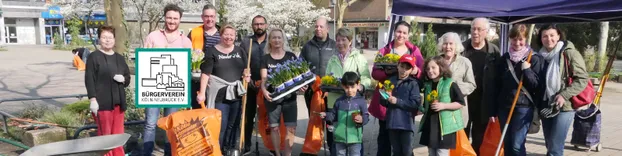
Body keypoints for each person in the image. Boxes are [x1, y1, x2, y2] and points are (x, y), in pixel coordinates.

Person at [142, 4, 192, 156]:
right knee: (150, 124)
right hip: (154, 88)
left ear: (180, 20)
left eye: (175, 18)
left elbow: (189, 66)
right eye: (169, 17)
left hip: (174, 89)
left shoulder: (186, 42)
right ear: (164, 18)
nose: (172, 21)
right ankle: (147, 153)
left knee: (171, 124)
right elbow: (144, 60)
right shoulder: (153, 36)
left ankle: (169, 154)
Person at [369, 20, 424, 156]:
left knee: (404, 142)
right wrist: (387, 72)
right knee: (384, 137)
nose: (401, 35)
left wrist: (416, 71)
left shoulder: (414, 51)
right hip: (387, 100)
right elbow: (375, 73)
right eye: (399, 31)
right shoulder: (384, 50)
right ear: (394, 32)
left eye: (404, 33)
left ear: (408, 35)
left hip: (405, 101)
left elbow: (423, 74)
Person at [197, 25, 251, 153]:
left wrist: (247, 76)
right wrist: (202, 93)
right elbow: (205, 74)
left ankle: (230, 149)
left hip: (236, 95)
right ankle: (217, 150)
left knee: (233, 125)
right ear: (221, 35)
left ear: (235, 36)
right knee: (221, 125)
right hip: (219, 96)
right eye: (226, 34)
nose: (229, 37)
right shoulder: (212, 51)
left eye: (232, 35)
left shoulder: (240, 51)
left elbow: (246, 69)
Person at [492, 24, 544, 156]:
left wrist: (527, 70)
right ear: (510, 39)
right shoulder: (505, 58)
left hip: (523, 107)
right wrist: (493, 109)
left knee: (517, 145)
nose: (517, 43)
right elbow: (497, 84)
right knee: (508, 143)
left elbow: (536, 85)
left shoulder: (534, 58)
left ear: (526, 39)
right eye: (514, 39)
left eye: (520, 39)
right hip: (505, 106)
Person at [536, 24, 588, 156]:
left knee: (555, 147)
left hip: (564, 106)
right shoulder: (539, 56)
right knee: (550, 144)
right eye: (545, 36)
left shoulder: (569, 53)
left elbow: (582, 79)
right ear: (541, 39)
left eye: (552, 35)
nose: (549, 39)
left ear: (558, 36)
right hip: (546, 105)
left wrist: (563, 95)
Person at [324, 27, 371, 155]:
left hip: (353, 103)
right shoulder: (333, 59)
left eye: (343, 40)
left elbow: (366, 77)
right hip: (335, 103)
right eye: (338, 40)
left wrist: (361, 87)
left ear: (350, 41)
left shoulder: (358, 58)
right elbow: (327, 78)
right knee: (334, 138)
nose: (340, 43)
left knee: (354, 138)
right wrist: (328, 85)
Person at [85, 25, 131, 156]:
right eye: (104, 37)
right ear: (99, 39)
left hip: (118, 103)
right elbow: (89, 79)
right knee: (105, 136)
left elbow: (127, 78)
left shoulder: (119, 58)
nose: (107, 40)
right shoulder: (94, 57)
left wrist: (123, 79)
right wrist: (93, 99)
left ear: (114, 40)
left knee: (117, 136)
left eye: (110, 37)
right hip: (103, 102)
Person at [259, 28, 304, 156]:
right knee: (274, 127)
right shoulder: (265, 58)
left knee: (291, 128)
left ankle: (287, 154)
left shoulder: (291, 56)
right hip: (272, 98)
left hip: (289, 99)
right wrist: (264, 90)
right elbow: (264, 79)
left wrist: (302, 87)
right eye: (274, 37)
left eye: (279, 37)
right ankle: (277, 153)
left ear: (283, 40)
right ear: (270, 41)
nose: (277, 40)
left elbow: (299, 76)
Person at [461, 17, 501, 154]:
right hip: (463, 101)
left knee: (479, 138)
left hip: (483, 103)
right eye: (473, 29)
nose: (475, 32)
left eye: (479, 29)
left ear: (486, 32)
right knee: (462, 137)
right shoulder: (461, 48)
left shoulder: (493, 51)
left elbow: (498, 79)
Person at [299, 16, 338, 153]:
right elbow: (300, 67)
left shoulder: (334, 46)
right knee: (315, 121)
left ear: (327, 28)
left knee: (331, 122)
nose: (318, 29)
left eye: (321, 26)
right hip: (312, 91)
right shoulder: (307, 47)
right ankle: (313, 149)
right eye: (316, 26)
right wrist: (302, 84)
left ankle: (333, 150)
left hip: (331, 92)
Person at [419, 56, 465, 156]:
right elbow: (425, 106)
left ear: (441, 67)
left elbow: (460, 103)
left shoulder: (450, 83)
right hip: (430, 125)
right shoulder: (427, 85)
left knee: (441, 153)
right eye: (427, 69)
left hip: (444, 128)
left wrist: (444, 106)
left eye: (433, 67)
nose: (430, 71)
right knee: (431, 153)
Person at [319, 72, 370, 156]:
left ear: (358, 85)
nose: (349, 90)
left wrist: (362, 119)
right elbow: (333, 116)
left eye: (352, 87)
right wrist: (326, 115)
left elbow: (366, 116)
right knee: (340, 154)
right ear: (342, 86)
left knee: (355, 154)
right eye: (347, 87)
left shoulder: (361, 101)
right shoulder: (339, 101)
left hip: (355, 138)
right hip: (340, 138)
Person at [379, 55, 421, 156]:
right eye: (402, 66)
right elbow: (382, 101)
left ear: (411, 70)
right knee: (396, 151)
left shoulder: (413, 84)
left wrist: (397, 101)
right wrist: (385, 98)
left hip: (406, 125)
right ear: (398, 65)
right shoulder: (390, 81)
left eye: (407, 68)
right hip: (392, 123)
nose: (404, 70)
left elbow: (415, 104)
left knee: (407, 152)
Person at [239, 15, 268, 154]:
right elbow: (242, 63)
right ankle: (246, 144)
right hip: (249, 84)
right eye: (256, 24)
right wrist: (248, 80)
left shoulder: (271, 41)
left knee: (268, 117)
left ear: (266, 25)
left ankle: (270, 145)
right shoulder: (246, 42)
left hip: (267, 85)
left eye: (261, 24)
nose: (259, 26)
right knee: (248, 116)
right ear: (252, 26)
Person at [438, 32, 476, 127]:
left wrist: (455, 88)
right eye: (445, 43)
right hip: (439, 108)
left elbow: (471, 85)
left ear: (456, 46)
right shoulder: (436, 61)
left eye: (451, 44)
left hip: (457, 110)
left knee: (456, 140)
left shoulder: (465, 62)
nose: (448, 47)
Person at [189, 4, 221, 109]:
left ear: (215, 17)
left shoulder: (223, 33)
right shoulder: (194, 32)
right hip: (198, 78)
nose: (209, 19)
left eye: (212, 16)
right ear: (202, 17)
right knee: (198, 109)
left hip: (218, 78)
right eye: (206, 16)